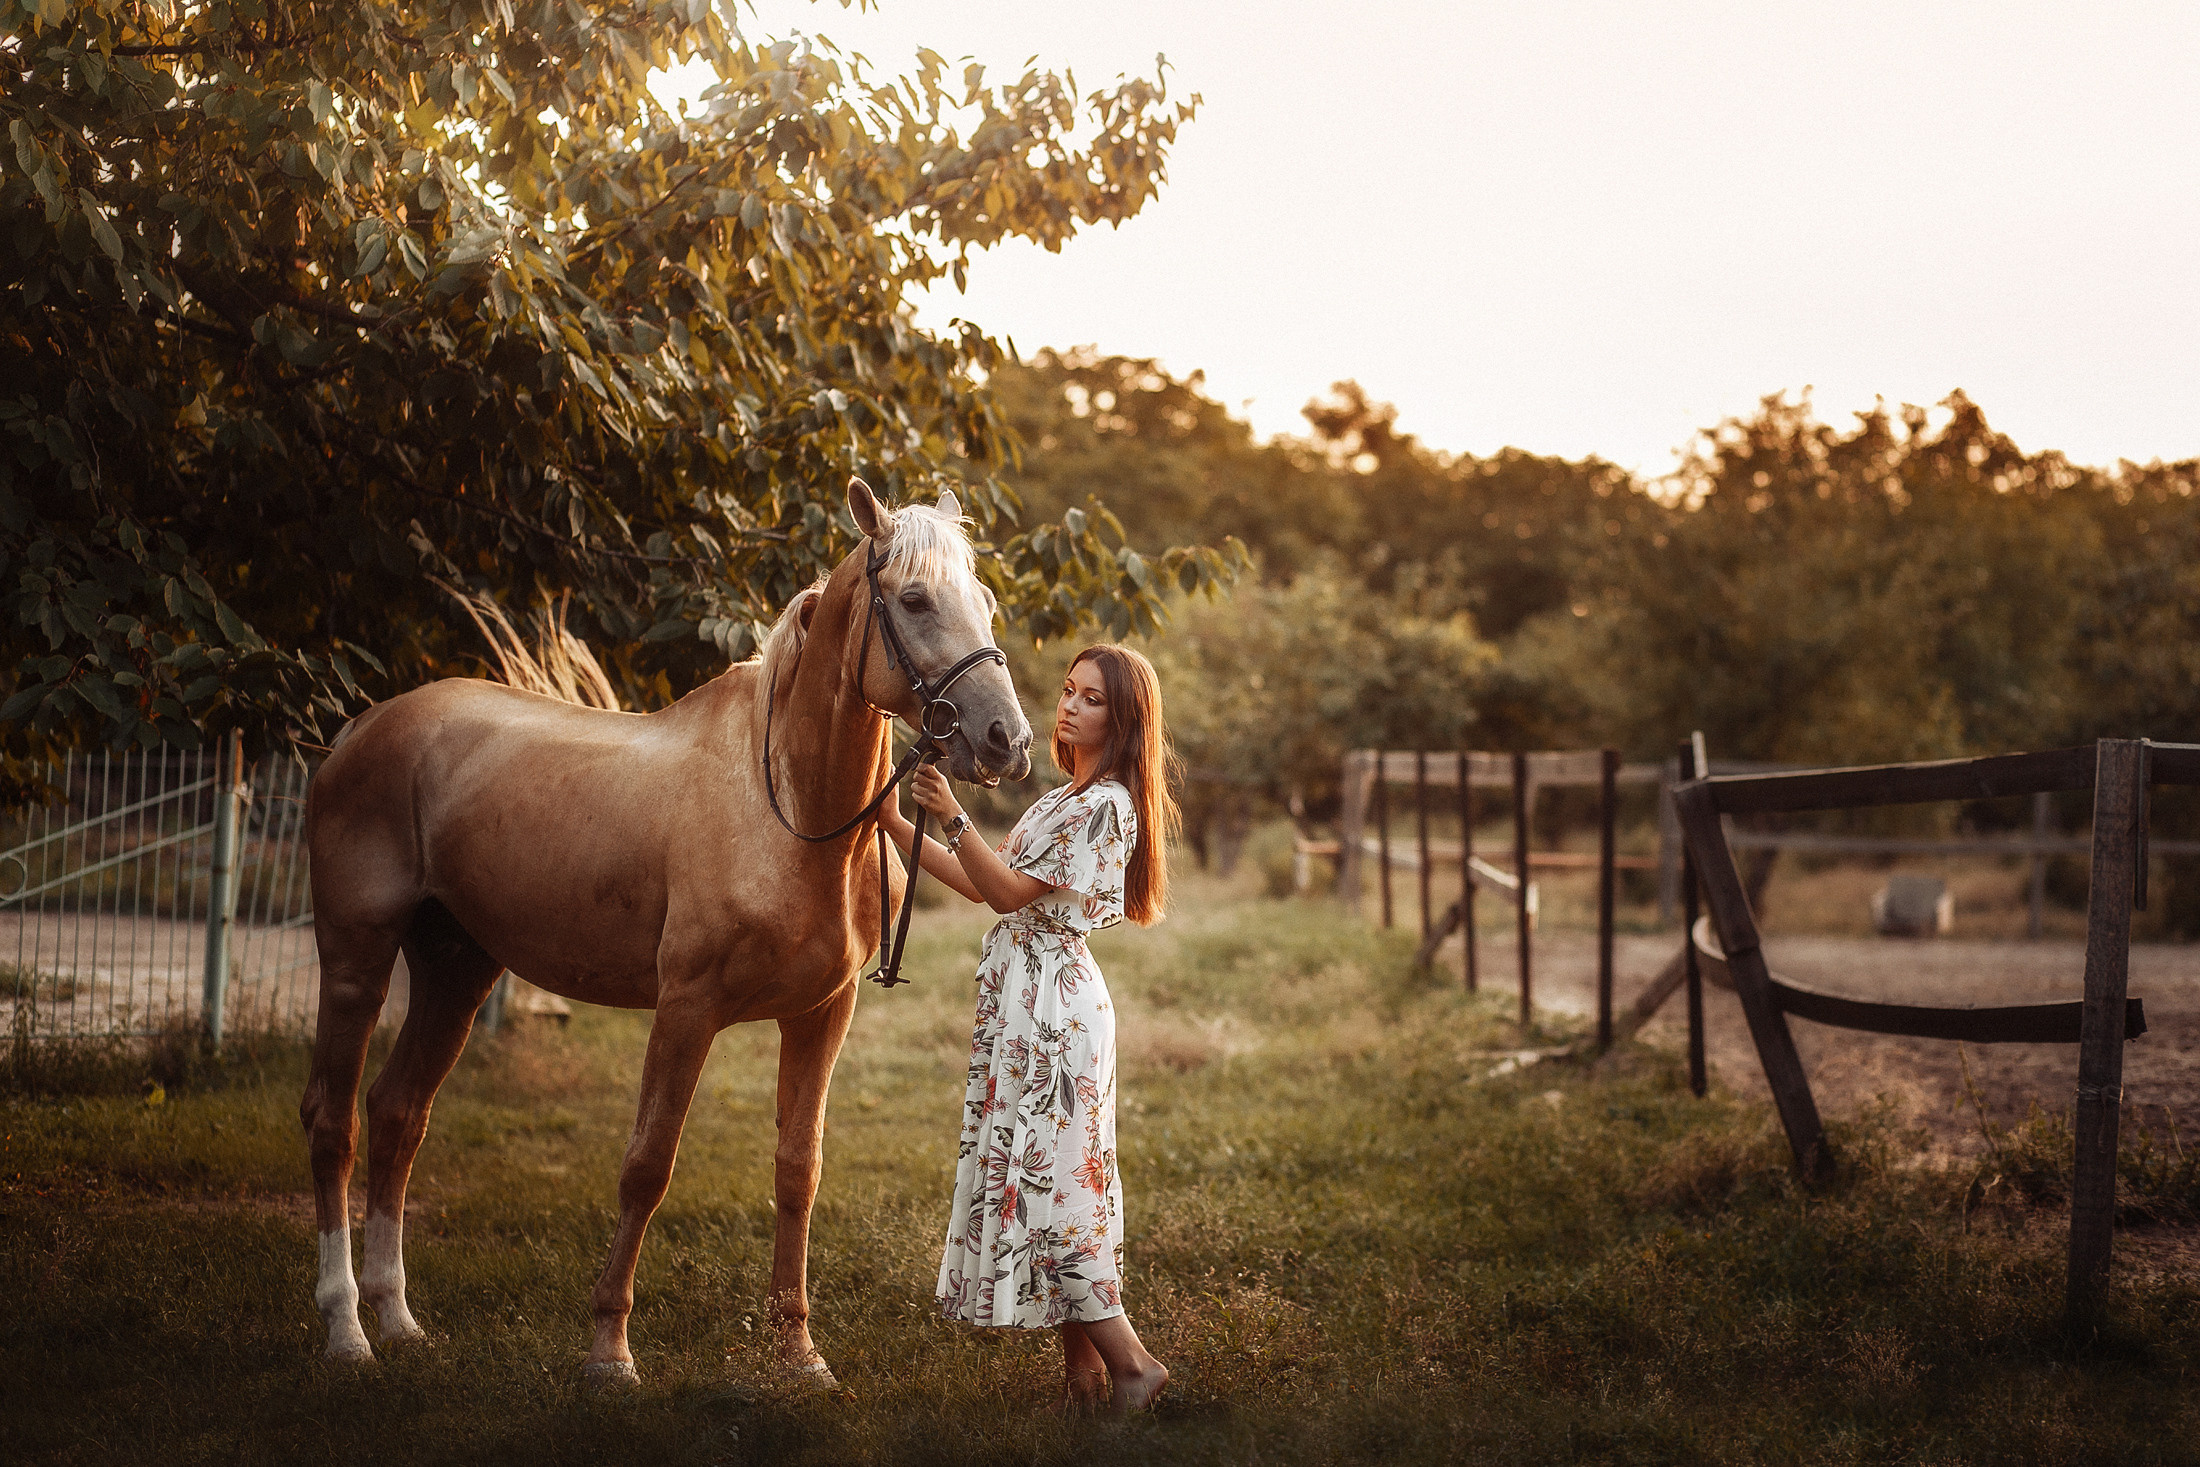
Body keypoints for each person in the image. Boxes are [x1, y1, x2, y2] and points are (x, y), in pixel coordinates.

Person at [881, 643, 1175, 1413]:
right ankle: (1083, 1379)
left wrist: (951, 812)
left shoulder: (1107, 804)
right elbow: (983, 885)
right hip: (1028, 1000)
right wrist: (890, 819)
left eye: (1093, 698)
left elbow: (1010, 893)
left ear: (1125, 717)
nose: (1070, 705)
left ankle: (1135, 1366)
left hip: (1055, 1010)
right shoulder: (1059, 800)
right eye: (1069, 690)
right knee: (1047, 1178)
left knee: (1053, 1189)